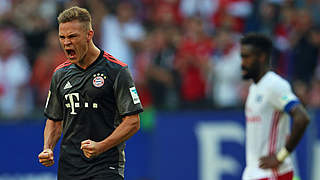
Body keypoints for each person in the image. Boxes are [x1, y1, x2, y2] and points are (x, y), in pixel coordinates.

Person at [38, 6, 143, 180]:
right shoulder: (60, 74)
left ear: (89, 35)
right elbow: (54, 120)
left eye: (72, 36)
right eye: (62, 37)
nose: (66, 43)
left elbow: (133, 122)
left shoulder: (116, 70)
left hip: (105, 166)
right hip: (69, 168)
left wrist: (101, 146)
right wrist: (48, 148)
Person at [240, 33, 310, 180]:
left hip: (272, 174)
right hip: (255, 173)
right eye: (242, 57)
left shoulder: (274, 85)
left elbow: (302, 118)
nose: (242, 63)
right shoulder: (255, 87)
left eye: (247, 57)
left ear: (262, 57)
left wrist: (280, 156)